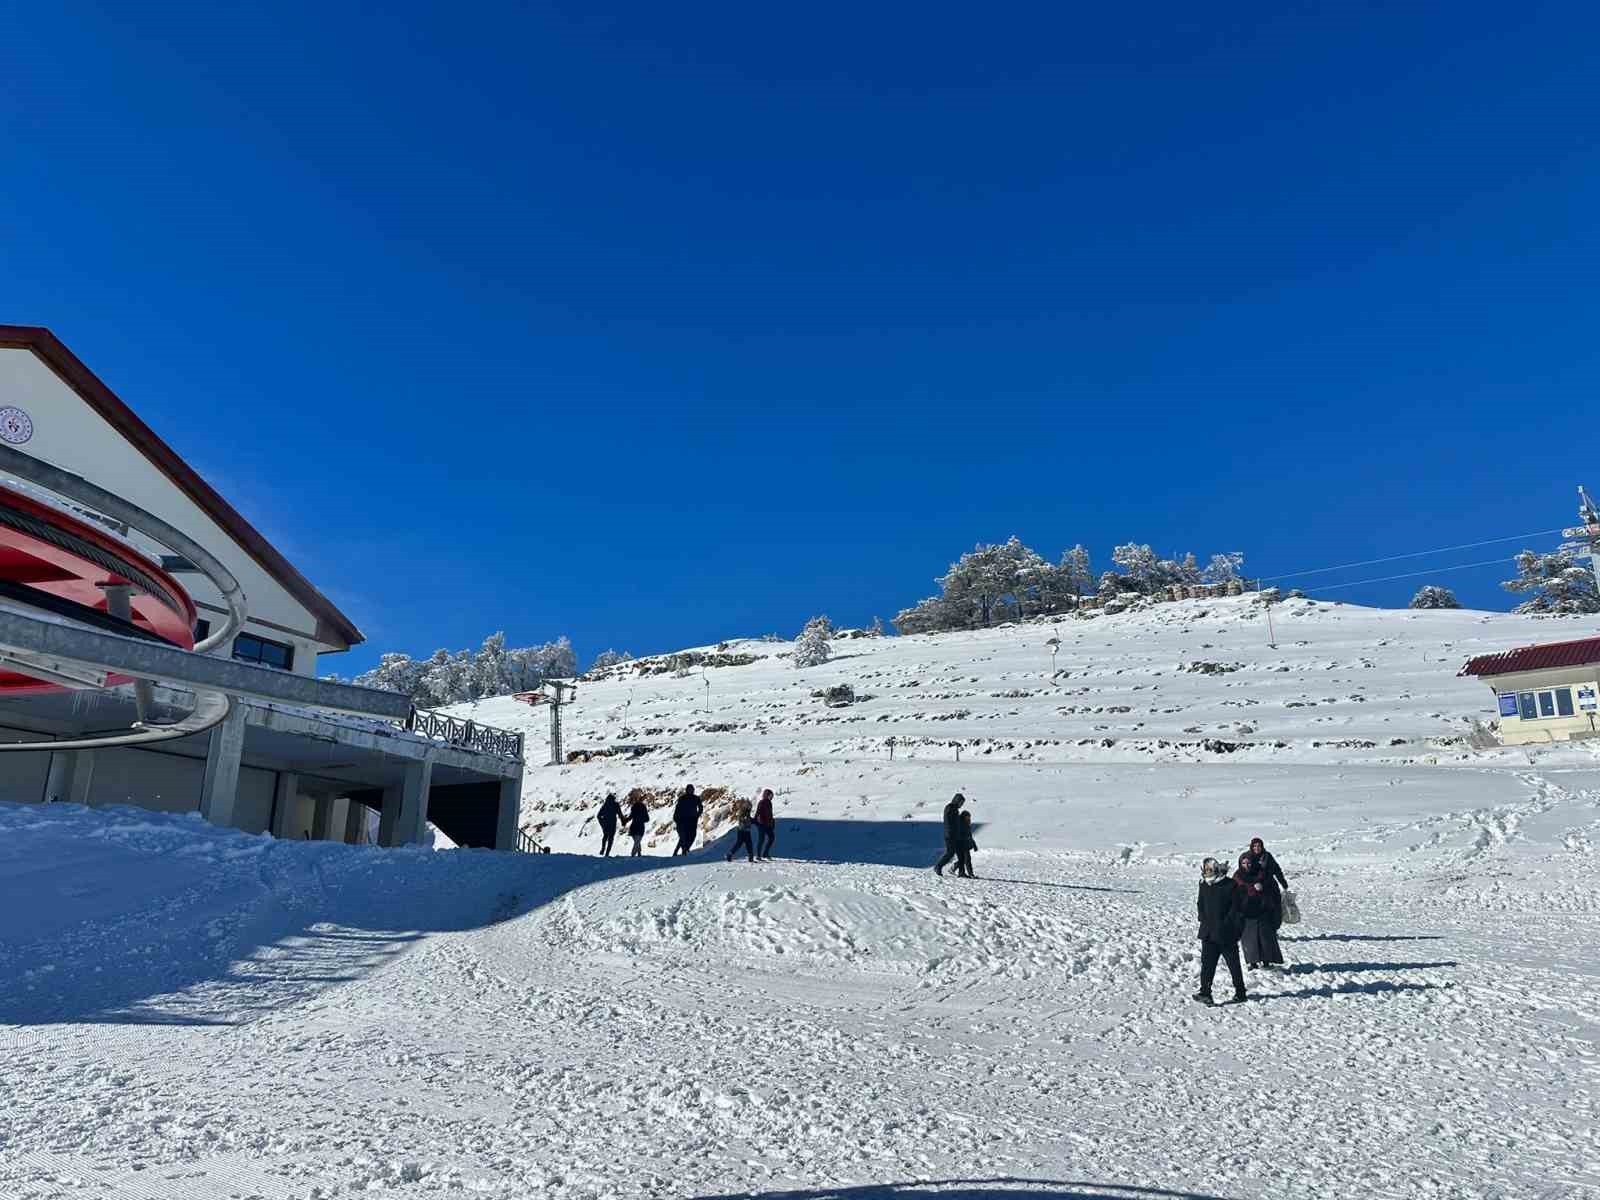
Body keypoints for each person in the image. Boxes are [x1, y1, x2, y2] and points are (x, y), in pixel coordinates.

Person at [1194, 856, 1247, 1005]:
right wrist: (1202, 917)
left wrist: (1227, 925)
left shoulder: (1229, 884)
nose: (1208, 872)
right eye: (1206, 869)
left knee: (1233, 965)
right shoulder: (1203, 884)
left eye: (1210, 869)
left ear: (1216, 869)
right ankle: (1205, 992)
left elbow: (1236, 908)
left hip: (1226, 933)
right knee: (1207, 964)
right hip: (1208, 933)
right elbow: (1200, 903)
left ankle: (1241, 992)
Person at [1234, 852, 1285, 970]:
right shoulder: (1237, 877)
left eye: (1249, 863)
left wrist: (1263, 889)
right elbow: (1232, 894)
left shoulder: (1262, 874)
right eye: (1244, 863)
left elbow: (1273, 889)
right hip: (1246, 913)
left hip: (1262, 911)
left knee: (1265, 939)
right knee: (1249, 940)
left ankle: (1267, 961)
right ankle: (1252, 963)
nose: (1246, 865)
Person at [933, 793, 967, 875]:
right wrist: (952, 831)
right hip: (950, 835)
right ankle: (938, 866)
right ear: (957, 801)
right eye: (961, 803)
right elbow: (949, 822)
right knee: (950, 853)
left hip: (955, 835)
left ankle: (961, 872)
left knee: (961, 854)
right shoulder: (950, 807)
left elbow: (956, 822)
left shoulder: (955, 809)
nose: (961, 805)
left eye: (962, 803)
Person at [672, 785, 702, 856]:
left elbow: (700, 807)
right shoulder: (682, 798)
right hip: (683, 820)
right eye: (689, 789)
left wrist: (697, 815)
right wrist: (676, 818)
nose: (691, 791)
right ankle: (681, 851)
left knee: (692, 836)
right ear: (687, 790)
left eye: (692, 789)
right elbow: (677, 809)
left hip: (692, 820)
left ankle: (685, 849)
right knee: (683, 837)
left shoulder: (696, 798)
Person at [726, 797, 756, 863]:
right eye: (750, 806)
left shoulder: (746, 812)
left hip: (745, 830)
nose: (750, 808)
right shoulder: (743, 811)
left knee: (745, 844)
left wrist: (753, 820)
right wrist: (751, 820)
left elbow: (748, 819)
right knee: (743, 843)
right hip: (742, 830)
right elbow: (743, 819)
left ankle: (750, 857)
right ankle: (730, 854)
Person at [596, 793, 621, 857]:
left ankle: (602, 849)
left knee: (605, 836)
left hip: (605, 824)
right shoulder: (616, 805)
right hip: (612, 824)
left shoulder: (605, 805)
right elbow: (620, 814)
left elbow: (598, 816)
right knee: (611, 839)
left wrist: (602, 823)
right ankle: (607, 853)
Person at [754, 788, 776, 860]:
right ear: (767, 795)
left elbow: (770, 814)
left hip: (768, 824)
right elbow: (758, 812)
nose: (772, 797)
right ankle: (758, 855)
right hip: (761, 824)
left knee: (771, 838)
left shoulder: (769, 802)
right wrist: (755, 820)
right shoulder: (762, 802)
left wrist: (772, 822)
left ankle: (765, 853)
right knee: (761, 839)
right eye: (771, 795)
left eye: (772, 796)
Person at [955, 810, 978, 878]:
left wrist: (974, 845)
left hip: (966, 845)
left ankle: (954, 867)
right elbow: (960, 835)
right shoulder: (960, 824)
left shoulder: (967, 824)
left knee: (964, 859)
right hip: (961, 845)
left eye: (969, 817)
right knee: (967, 859)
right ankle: (970, 874)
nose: (969, 818)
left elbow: (970, 836)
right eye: (967, 816)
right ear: (964, 816)